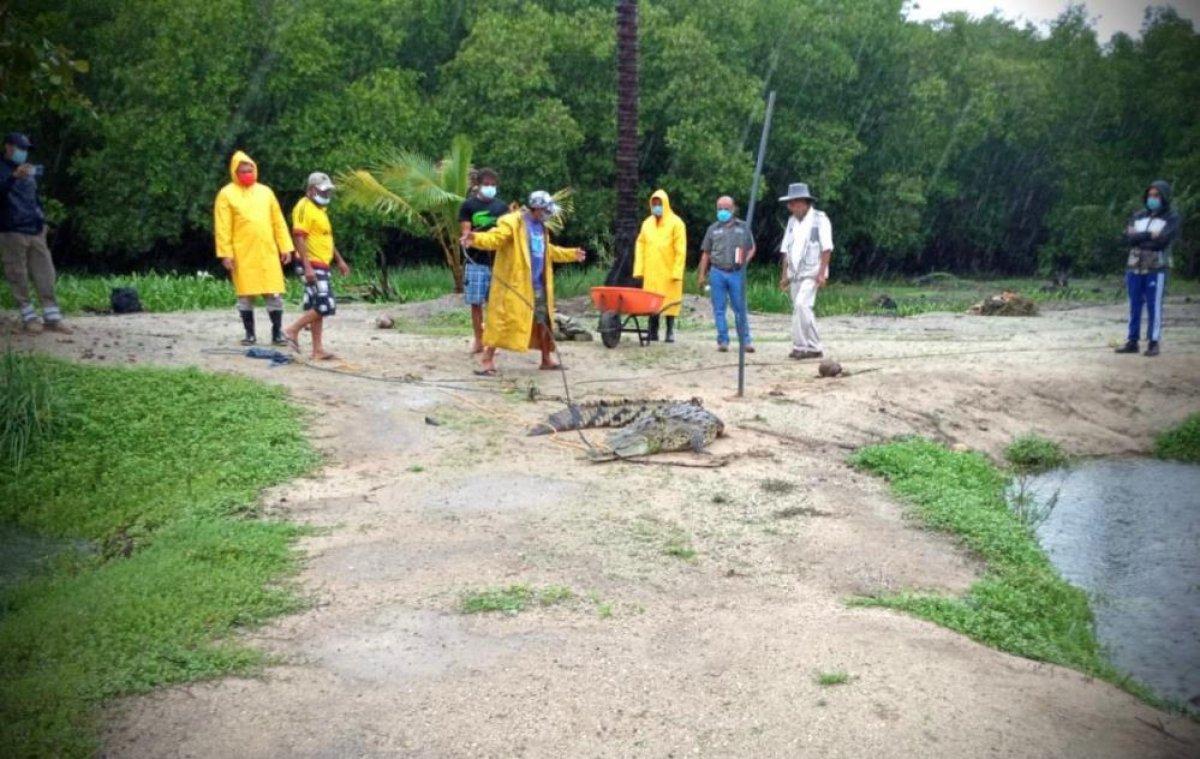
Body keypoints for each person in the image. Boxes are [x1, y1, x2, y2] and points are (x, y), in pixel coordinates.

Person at [461, 191, 586, 376]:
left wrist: (570, 254)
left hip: (538, 285)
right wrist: (476, 239)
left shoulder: (541, 228)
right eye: (545, 210)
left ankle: (546, 358)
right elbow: (496, 238)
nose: (548, 214)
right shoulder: (513, 222)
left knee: (543, 321)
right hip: (516, 284)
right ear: (536, 208)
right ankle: (487, 358)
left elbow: (545, 251)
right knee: (503, 321)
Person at [214, 150, 294, 346]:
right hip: (242, 253)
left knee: (273, 292)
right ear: (235, 172)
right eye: (243, 171)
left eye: (250, 170)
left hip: (267, 252)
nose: (247, 174)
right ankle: (250, 334)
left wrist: (285, 247)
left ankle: (277, 333)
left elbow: (278, 221)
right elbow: (222, 227)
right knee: (245, 295)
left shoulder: (266, 192)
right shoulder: (226, 194)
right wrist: (225, 254)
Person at [0, 132, 69, 333]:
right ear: (8, 147)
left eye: (26, 149)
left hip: (35, 228)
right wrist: (13, 178)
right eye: (21, 148)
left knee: (46, 272)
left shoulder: (29, 171)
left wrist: (43, 221)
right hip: (11, 229)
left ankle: (52, 316)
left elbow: (34, 198)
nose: (24, 153)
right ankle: (28, 316)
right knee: (17, 273)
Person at [283, 172, 349, 360]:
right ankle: (291, 330)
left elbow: (326, 237)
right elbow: (299, 237)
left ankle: (317, 349)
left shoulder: (320, 211)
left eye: (328, 191)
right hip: (311, 263)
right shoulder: (303, 207)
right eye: (323, 191)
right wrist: (308, 266)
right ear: (311, 190)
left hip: (322, 262)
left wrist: (339, 260)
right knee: (325, 305)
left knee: (317, 306)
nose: (327, 195)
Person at [1116, 180, 1180, 357]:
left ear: (1164, 197)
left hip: (1156, 267)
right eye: (1150, 195)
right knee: (1134, 304)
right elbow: (1128, 239)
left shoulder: (1171, 218)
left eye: (1156, 195)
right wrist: (1148, 235)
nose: (1152, 198)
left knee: (1154, 306)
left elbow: (1162, 242)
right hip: (1134, 266)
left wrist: (1139, 237)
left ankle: (1153, 342)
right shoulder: (1138, 216)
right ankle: (1132, 340)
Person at [778, 182, 833, 359]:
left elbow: (827, 248)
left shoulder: (820, 219)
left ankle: (810, 345)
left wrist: (821, 273)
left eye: (794, 203)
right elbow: (786, 250)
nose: (790, 207)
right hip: (795, 274)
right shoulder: (792, 222)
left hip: (812, 272)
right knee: (799, 309)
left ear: (804, 202)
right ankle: (804, 346)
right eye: (790, 203)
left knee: (803, 305)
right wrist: (784, 275)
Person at [458, 167, 509, 353]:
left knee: (495, 304)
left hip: (498, 261)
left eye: (493, 185)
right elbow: (466, 232)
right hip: (476, 260)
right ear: (478, 185)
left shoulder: (502, 208)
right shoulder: (468, 206)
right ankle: (478, 339)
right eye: (486, 184)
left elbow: (507, 233)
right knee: (476, 303)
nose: (490, 188)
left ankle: (492, 340)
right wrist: (470, 238)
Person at [698, 195, 756, 353]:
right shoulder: (712, 229)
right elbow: (706, 253)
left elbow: (751, 248)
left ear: (733, 209)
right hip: (717, 272)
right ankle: (723, 341)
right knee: (719, 309)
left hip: (736, 272)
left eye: (726, 209)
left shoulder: (743, 227)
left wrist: (744, 262)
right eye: (720, 209)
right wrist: (701, 275)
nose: (723, 211)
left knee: (740, 308)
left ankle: (746, 341)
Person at [634, 189, 686, 343]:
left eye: (659, 204)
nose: (656, 207)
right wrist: (639, 269)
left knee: (670, 301)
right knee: (651, 302)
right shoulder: (646, 224)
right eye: (654, 204)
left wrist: (677, 271)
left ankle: (669, 332)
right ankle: (652, 332)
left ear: (666, 204)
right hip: (651, 271)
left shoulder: (677, 223)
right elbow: (640, 246)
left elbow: (680, 250)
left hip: (669, 271)